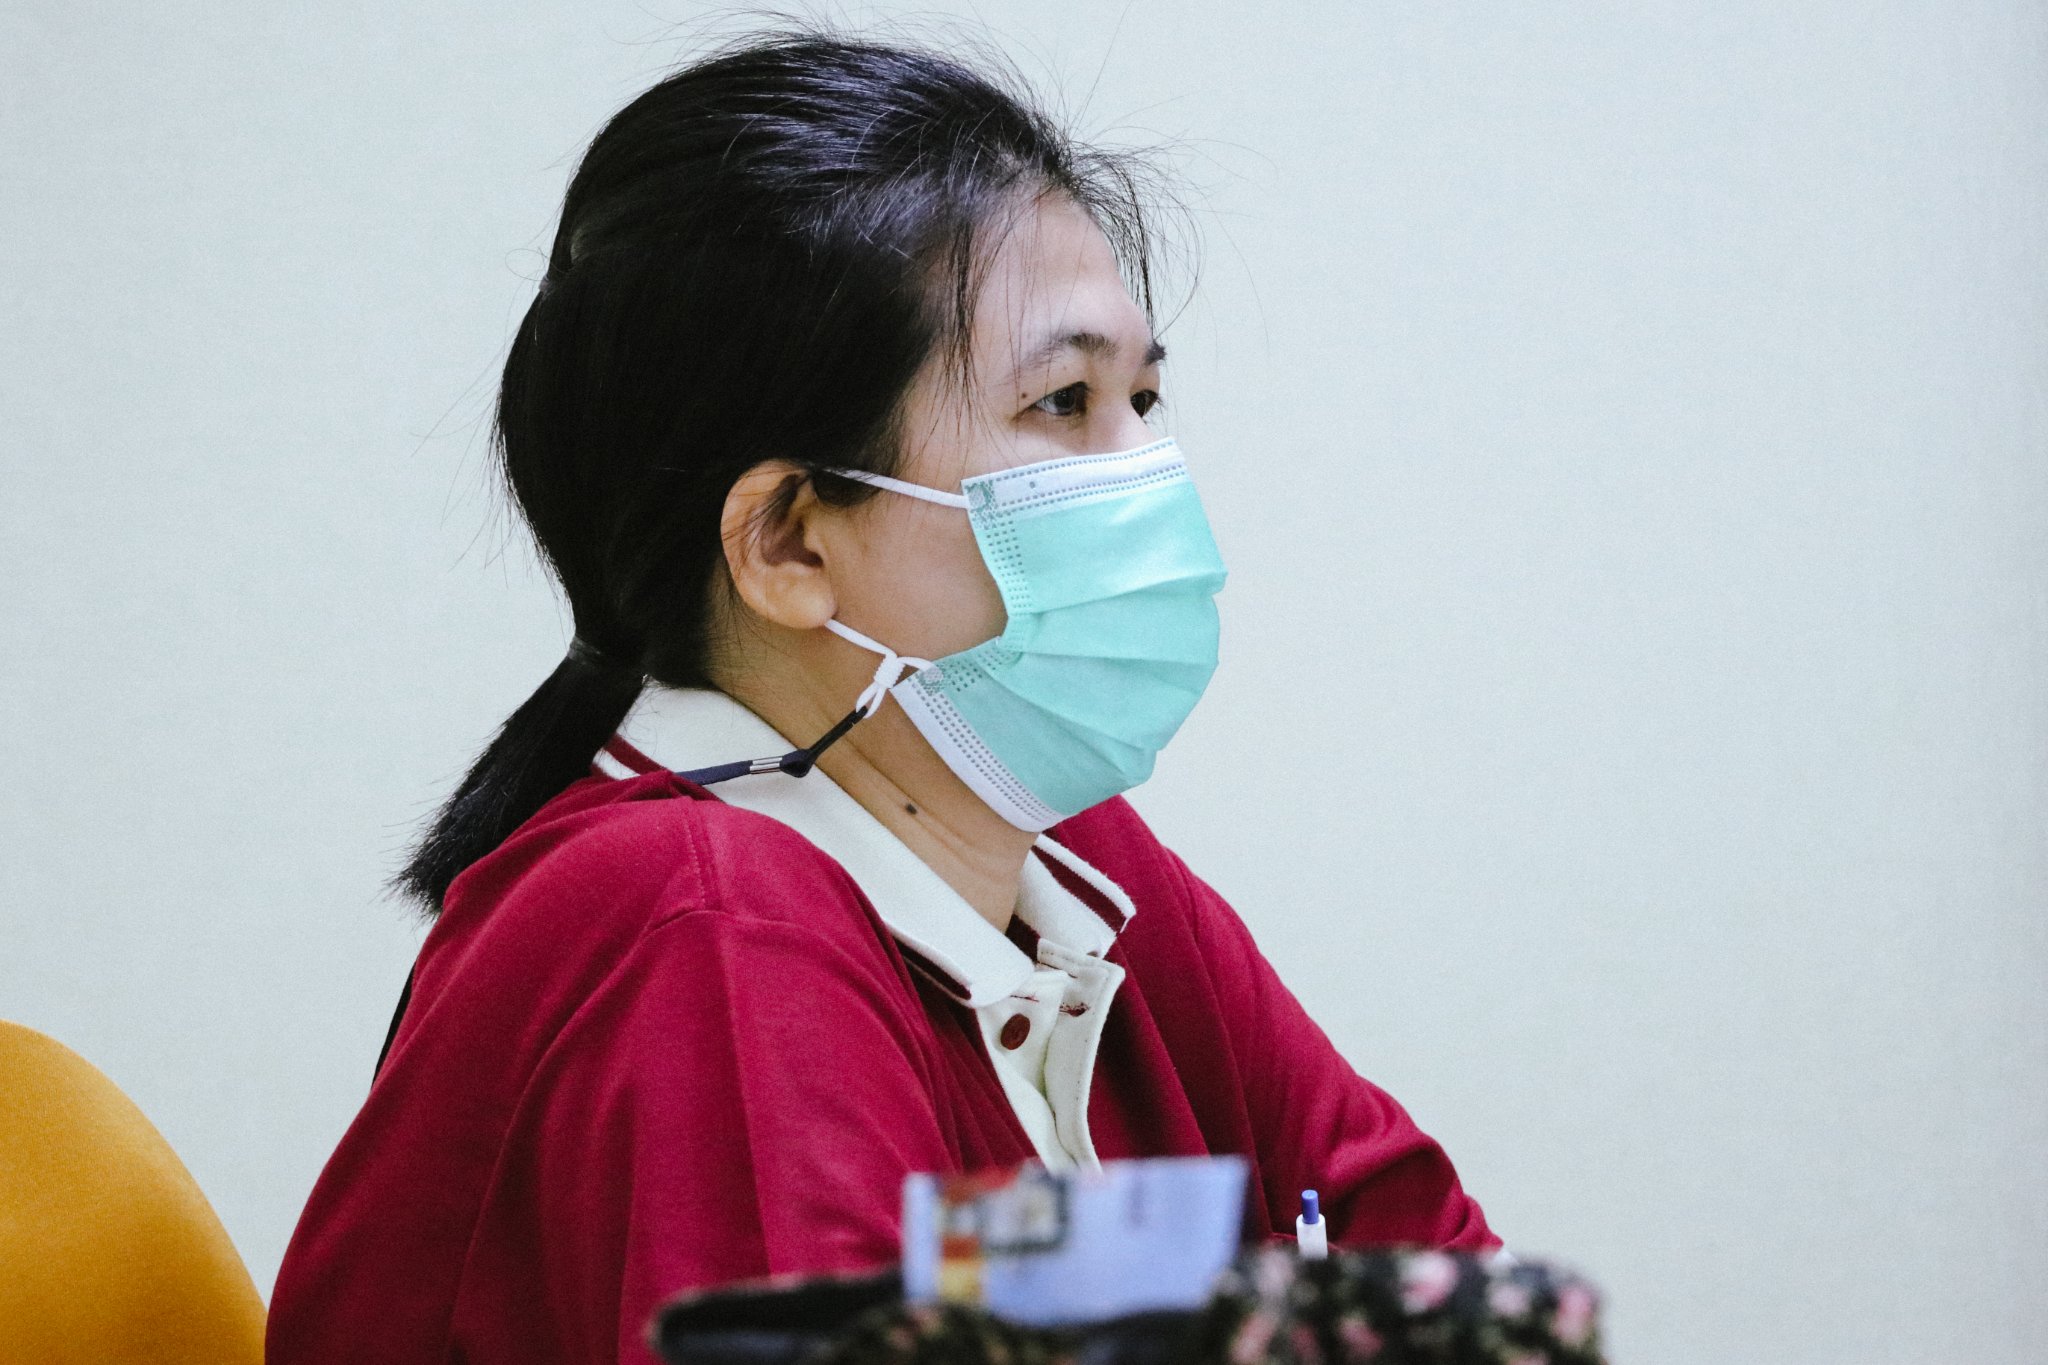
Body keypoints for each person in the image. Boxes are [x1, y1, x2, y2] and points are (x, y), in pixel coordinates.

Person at [267, 24, 1501, 1364]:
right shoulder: (709, 926)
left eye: (1143, 398)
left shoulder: (1065, 864)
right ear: (790, 541)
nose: (1144, 474)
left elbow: (1436, 1277)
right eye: (1063, 401)